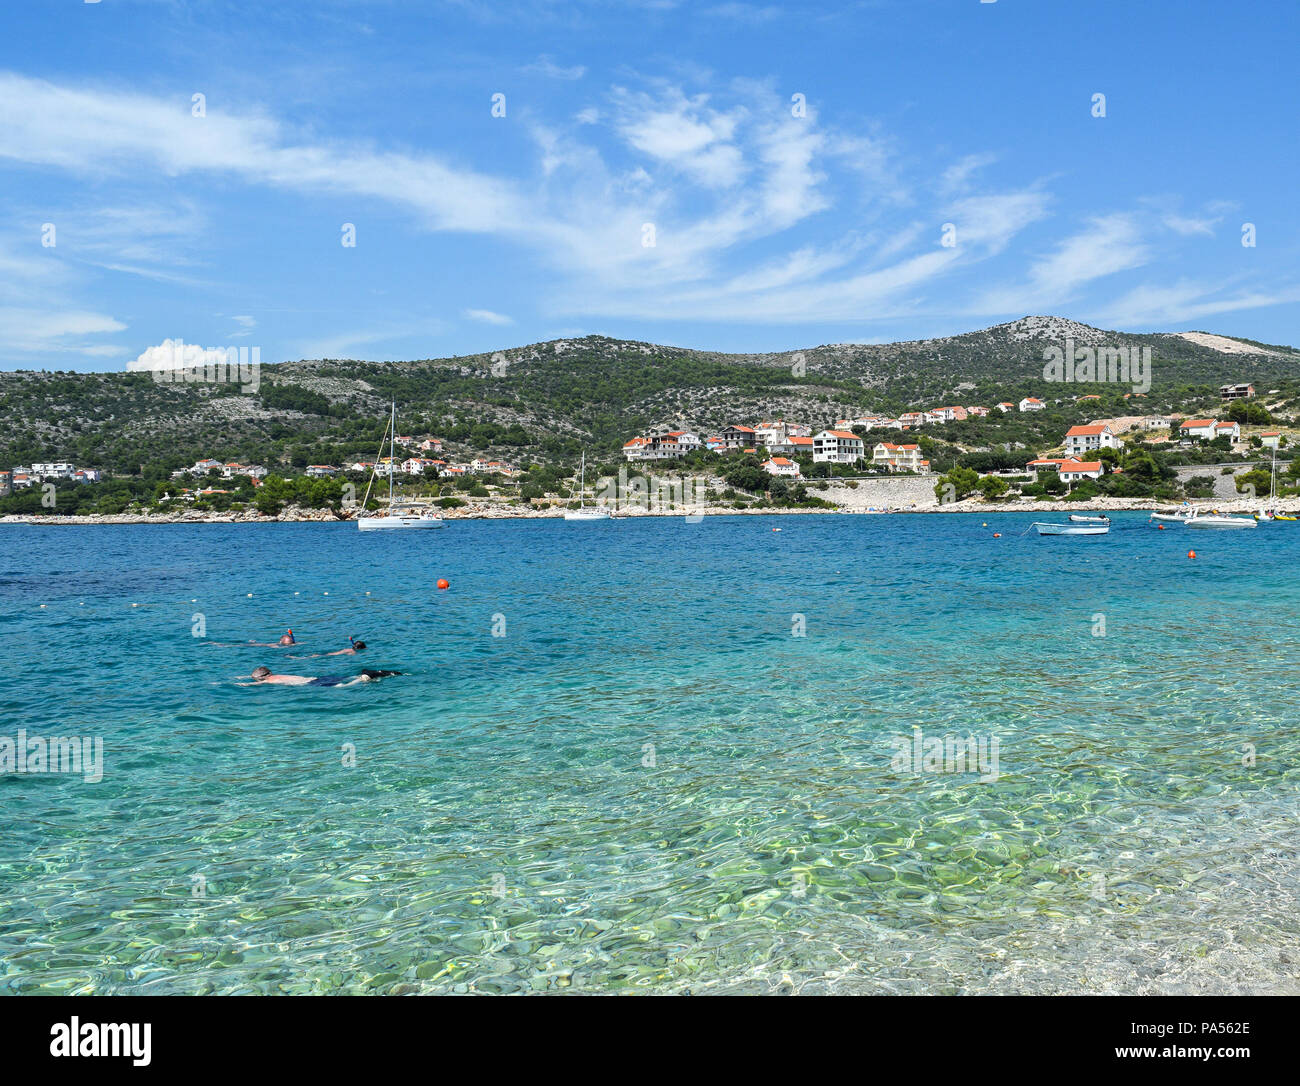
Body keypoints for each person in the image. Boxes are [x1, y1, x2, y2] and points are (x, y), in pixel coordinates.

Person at [243, 666, 400, 687]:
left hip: (313, 684)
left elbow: (258, 683)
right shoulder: (275, 675)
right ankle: (366, 674)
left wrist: (245, 685)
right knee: (342, 679)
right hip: (317, 678)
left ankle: (363, 678)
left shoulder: (269, 680)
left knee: (341, 687)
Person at [293, 636, 365, 659]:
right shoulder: (352, 652)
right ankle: (299, 658)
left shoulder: (348, 649)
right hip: (331, 655)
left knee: (319, 655)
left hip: (331, 653)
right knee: (315, 656)